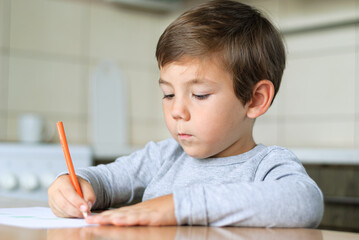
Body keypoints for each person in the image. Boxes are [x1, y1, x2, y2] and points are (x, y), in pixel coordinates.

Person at [48, 0, 324, 227]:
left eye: (200, 95)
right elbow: (105, 181)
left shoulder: (267, 165)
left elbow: (305, 203)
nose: (177, 111)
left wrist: (181, 206)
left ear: (255, 99)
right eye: (168, 94)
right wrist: (73, 185)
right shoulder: (163, 157)